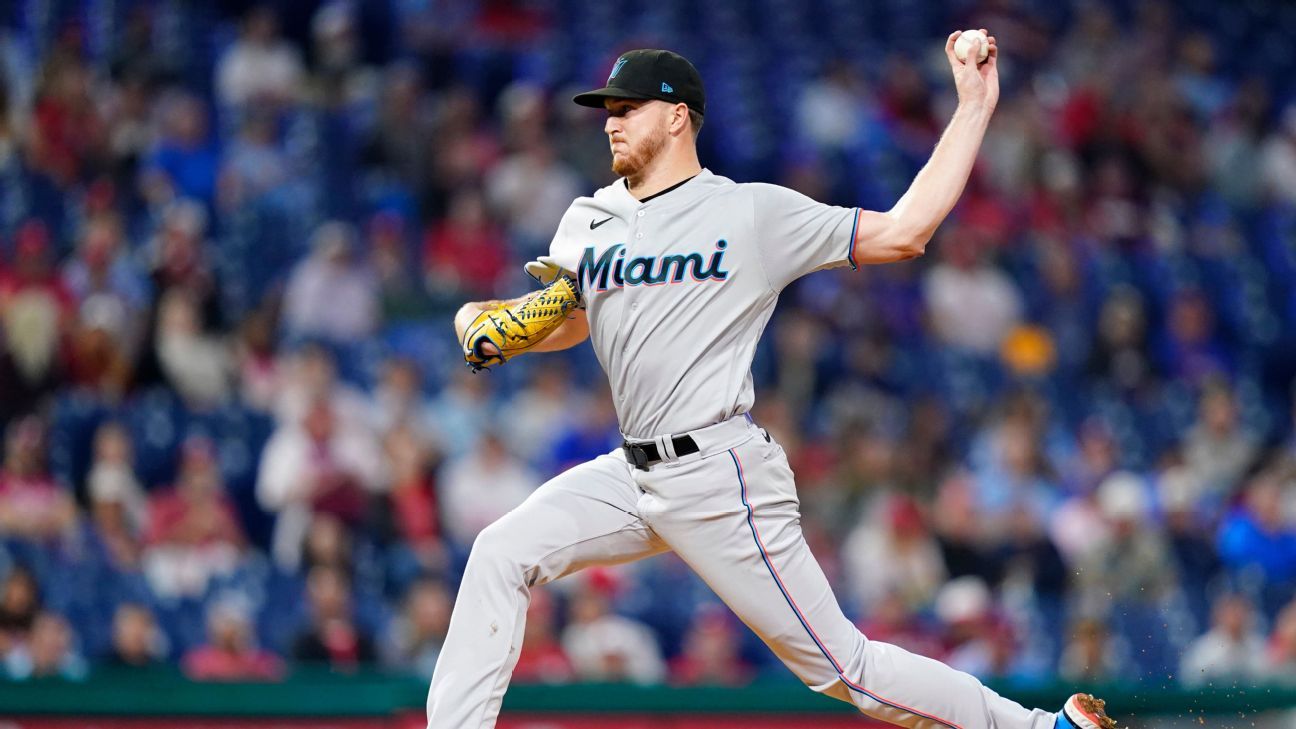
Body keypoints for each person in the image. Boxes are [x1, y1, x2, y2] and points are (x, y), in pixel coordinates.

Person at [430, 39, 1114, 729]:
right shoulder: (588, 219)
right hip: (634, 473)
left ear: (676, 117)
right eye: (607, 108)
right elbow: (573, 322)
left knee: (847, 670)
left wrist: (972, 107)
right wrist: (492, 323)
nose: (610, 121)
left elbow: (905, 232)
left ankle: (1038, 727)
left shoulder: (751, 213)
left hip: (719, 474)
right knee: (499, 552)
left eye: (627, 107)